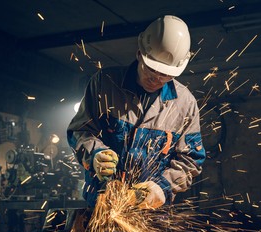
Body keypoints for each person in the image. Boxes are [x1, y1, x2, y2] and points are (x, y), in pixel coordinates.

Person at [67, 15, 206, 210]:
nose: (156, 78)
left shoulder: (185, 103)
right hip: (102, 204)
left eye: (165, 74)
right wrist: (95, 154)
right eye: (151, 68)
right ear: (140, 53)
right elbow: (79, 131)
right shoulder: (105, 83)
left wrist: (162, 187)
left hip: (152, 214)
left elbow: (191, 160)